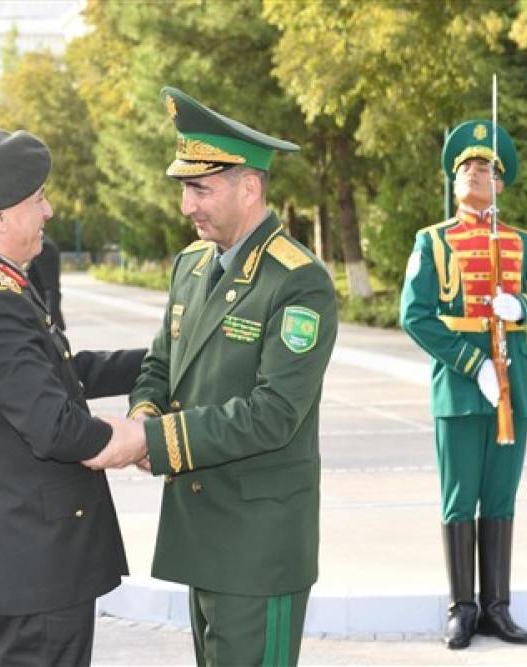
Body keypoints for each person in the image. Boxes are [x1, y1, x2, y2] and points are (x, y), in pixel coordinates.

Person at [125, 87, 338, 666]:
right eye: (185, 189)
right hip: (202, 531)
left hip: (258, 544)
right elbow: (158, 368)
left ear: (249, 187)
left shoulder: (298, 282)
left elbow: (274, 415)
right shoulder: (191, 266)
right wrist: (144, 413)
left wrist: (156, 442)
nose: (187, 207)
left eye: (201, 189)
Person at [0, 129, 148, 667]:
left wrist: (165, 357)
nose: (48, 210)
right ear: (0, 216)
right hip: (34, 569)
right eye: (37, 199)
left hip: (16, 559)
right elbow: (58, 427)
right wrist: (138, 438)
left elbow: (59, 373)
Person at [399, 120, 527, 649]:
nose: (474, 172)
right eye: (465, 166)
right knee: (459, 496)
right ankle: (463, 608)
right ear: (453, 181)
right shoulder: (433, 242)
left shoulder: (521, 243)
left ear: (500, 185)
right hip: (460, 387)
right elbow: (415, 315)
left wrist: (525, 305)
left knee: (500, 495)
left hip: (513, 384)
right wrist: (470, 363)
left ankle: (497, 609)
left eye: (485, 168)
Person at [28, 233, 66, 330]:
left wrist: (48, 325)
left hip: (42, 323)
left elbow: (51, 291)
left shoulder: (44, 246)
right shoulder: (31, 244)